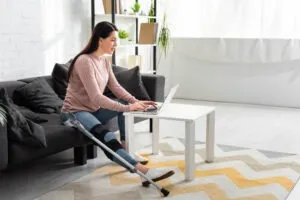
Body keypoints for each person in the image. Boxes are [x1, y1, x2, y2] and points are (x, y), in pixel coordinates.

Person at [60, 21, 174, 186]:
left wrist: (136, 102)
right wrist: (128, 107)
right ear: (100, 40)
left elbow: (115, 87)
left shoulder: (105, 61)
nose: (116, 44)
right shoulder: (84, 61)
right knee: (106, 135)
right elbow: (96, 97)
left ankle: (125, 149)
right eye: (113, 40)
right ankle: (143, 171)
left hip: (92, 110)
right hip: (74, 112)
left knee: (123, 108)